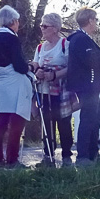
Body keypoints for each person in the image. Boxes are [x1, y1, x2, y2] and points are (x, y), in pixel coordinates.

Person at [0, 5, 33, 168]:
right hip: (14, 85)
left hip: (0, 85)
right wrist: (30, 66)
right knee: (16, 122)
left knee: (1, 122)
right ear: (13, 21)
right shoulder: (12, 39)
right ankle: (12, 159)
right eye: (18, 21)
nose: (19, 24)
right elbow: (19, 66)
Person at [66, 6, 100, 166]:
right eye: (96, 19)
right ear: (90, 20)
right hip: (87, 86)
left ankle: (93, 154)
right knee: (88, 119)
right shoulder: (80, 39)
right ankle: (83, 157)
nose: (96, 23)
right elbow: (91, 61)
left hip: (90, 86)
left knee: (96, 119)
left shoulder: (83, 38)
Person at [31, 12, 73, 166]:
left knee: (64, 122)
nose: (41, 28)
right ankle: (48, 155)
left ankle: (67, 156)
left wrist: (54, 75)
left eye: (45, 26)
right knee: (47, 123)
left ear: (55, 28)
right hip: (44, 90)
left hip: (61, 91)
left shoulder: (65, 44)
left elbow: (72, 67)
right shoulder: (40, 47)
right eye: (41, 25)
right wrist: (38, 72)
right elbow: (36, 65)